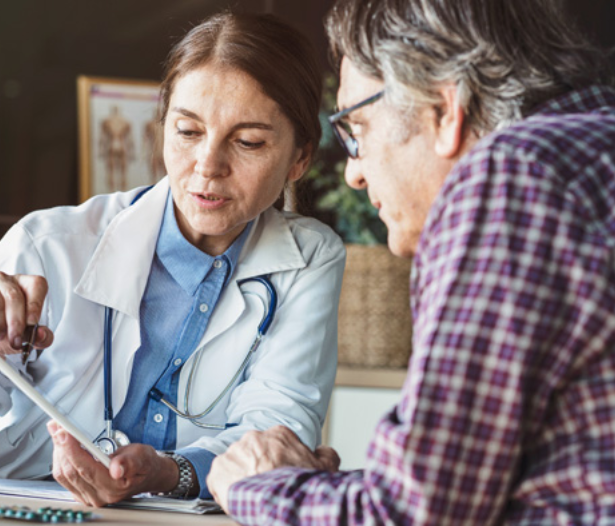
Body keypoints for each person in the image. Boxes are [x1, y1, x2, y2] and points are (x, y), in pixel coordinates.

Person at [206, 0, 615, 523]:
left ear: (443, 110)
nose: (354, 171)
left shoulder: (514, 176)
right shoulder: (591, 151)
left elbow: (416, 512)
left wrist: (257, 486)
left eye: (357, 128)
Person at [0, 12, 345, 507]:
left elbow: (275, 440)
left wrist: (166, 473)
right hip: (17, 510)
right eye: (187, 131)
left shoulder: (309, 259)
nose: (207, 166)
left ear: (300, 158)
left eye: (248, 142)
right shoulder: (49, 243)